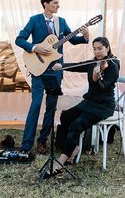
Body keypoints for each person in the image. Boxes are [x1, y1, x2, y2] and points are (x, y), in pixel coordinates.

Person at [15, 0, 89, 154]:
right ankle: (27, 145)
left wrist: (84, 37)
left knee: (51, 107)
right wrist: (35, 47)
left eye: (58, 3)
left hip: (55, 71)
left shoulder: (61, 22)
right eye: (55, 3)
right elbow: (19, 39)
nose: (58, 5)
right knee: (35, 105)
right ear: (46, 4)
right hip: (38, 70)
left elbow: (72, 40)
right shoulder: (34, 20)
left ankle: (42, 141)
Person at [49, 36, 119, 174]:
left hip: (103, 106)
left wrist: (96, 76)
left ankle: (61, 161)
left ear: (107, 48)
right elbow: (79, 65)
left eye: (100, 48)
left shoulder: (113, 66)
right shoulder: (94, 63)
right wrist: (61, 66)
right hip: (89, 102)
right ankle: (73, 148)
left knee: (77, 125)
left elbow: (102, 88)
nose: (97, 52)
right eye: (94, 49)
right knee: (66, 116)